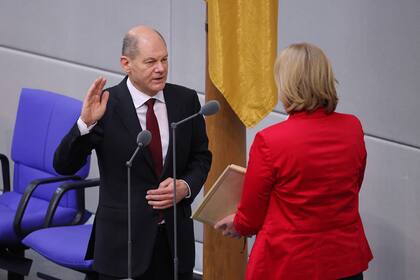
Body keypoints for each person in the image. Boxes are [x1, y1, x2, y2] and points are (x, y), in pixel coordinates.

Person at [53, 25, 212, 280]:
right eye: (151, 61)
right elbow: (64, 165)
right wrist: (84, 124)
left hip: (173, 244)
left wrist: (186, 185)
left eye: (164, 59)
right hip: (121, 245)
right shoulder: (106, 106)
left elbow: (201, 156)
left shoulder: (185, 100)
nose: (161, 68)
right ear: (126, 64)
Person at [214, 43, 373, 280]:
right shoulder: (353, 127)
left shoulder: (271, 140)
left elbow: (251, 216)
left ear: (286, 83)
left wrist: (239, 224)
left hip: (289, 264)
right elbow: (353, 186)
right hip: (344, 262)